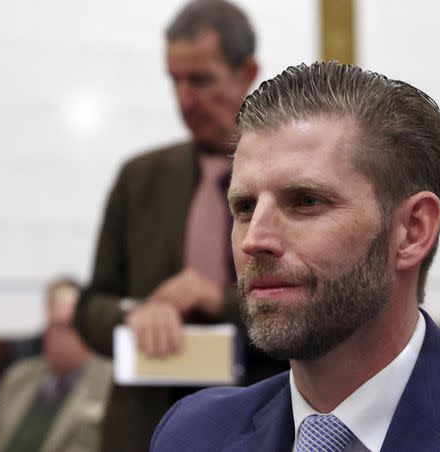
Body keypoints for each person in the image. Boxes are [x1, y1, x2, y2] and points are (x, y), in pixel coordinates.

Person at [149, 61, 440, 452]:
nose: (255, 239)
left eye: (306, 202)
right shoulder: (193, 434)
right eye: (244, 206)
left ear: (412, 231)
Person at [74, 1, 288, 451]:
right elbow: (91, 306)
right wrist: (135, 316)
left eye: (201, 80)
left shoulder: (291, 179)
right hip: (145, 425)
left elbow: (310, 304)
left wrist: (215, 300)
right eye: (175, 80)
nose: (185, 99)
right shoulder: (140, 178)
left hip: (260, 418)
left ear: (248, 72)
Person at [0, 277, 112, 452]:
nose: (55, 336)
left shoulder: (107, 385)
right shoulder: (19, 376)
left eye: (66, 327)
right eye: (52, 325)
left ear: (87, 329)